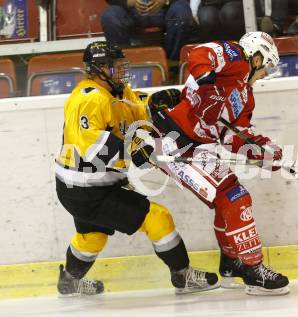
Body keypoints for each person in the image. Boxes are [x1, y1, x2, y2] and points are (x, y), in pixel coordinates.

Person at [54, 41, 219, 296]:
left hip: (86, 186)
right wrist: (132, 150)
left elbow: (136, 108)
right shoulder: (89, 99)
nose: (121, 70)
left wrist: (156, 102)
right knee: (157, 218)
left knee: (92, 237)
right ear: (99, 69)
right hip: (86, 190)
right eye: (115, 66)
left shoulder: (117, 92)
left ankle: (69, 281)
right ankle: (183, 276)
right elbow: (89, 145)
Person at [144, 32, 290, 295]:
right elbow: (200, 54)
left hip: (198, 146)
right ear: (256, 57)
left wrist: (262, 150)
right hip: (176, 139)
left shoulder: (246, 96)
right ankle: (253, 270)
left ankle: (232, 263)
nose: (266, 73)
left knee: (229, 199)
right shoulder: (237, 59)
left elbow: (232, 135)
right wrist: (208, 85)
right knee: (234, 198)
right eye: (266, 66)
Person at [101, 0, 194, 61]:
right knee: (110, 17)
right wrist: (130, 2)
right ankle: (122, 65)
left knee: (182, 12)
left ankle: (173, 64)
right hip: (129, 11)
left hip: (167, 8)